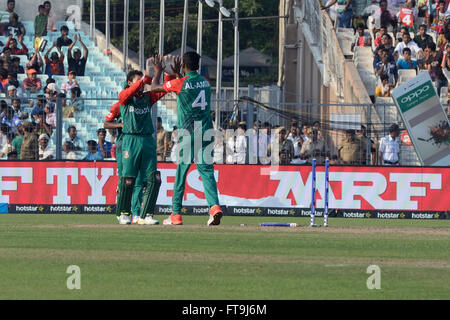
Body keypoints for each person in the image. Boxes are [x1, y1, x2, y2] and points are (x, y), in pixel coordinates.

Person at [150, 52, 223, 226]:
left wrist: (158, 71)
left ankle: (176, 214)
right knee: (207, 173)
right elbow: (189, 87)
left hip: (187, 133)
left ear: (183, 65)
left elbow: (154, 88)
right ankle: (214, 207)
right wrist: (178, 74)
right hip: (205, 131)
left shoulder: (180, 83)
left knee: (181, 174)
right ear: (198, 65)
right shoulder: (205, 82)